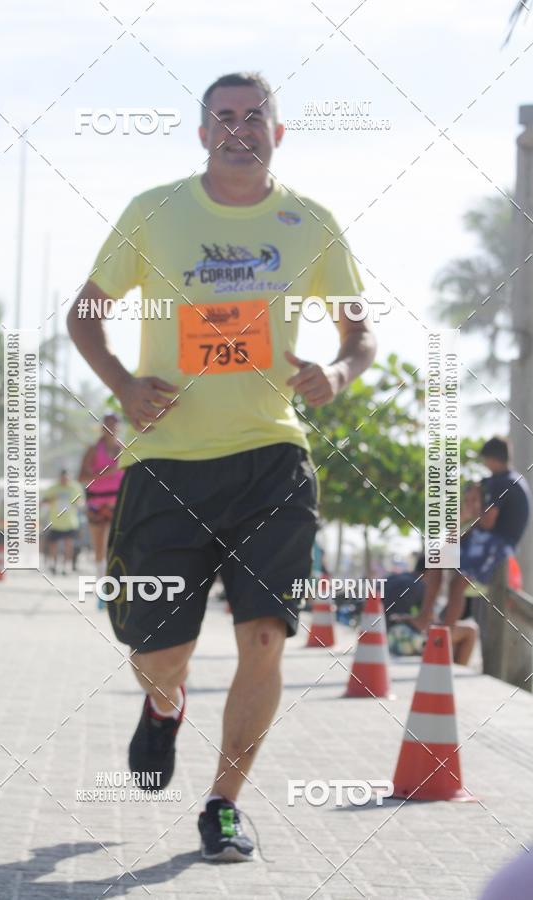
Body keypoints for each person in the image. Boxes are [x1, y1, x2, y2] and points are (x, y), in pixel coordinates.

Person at [67, 71, 376, 862]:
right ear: (203, 134)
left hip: (272, 455)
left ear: (281, 131)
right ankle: (163, 704)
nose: (240, 128)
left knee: (264, 637)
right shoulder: (155, 212)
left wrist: (336, 375)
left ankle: (223, 805)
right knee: (157, 651)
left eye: (255, 116)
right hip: (169, 462)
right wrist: (126, 386)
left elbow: (359, 336)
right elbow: (85, 316)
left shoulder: (311, 222)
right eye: (223, 118)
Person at [411, 437, 531, 664]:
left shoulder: (503, 482)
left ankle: (442, 634)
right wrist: (462, 524)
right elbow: (479, 522)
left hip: (497, 542)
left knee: (457, 585)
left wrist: (472, 512)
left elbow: (487, 522)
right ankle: (426, 616)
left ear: (490, 459)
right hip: (486, 538)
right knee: (437, 557)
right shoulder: (501, 480)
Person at [78, 413, 125, 585]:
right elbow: (81, 476)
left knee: (117, 545)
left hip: (117, 503)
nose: (110, 429)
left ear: (118, 428)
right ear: (102, 428)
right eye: (107, 425)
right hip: (96, 503)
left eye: (114, 425)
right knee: (99, 546)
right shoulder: (93, 449)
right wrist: (104, 474)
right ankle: (101, 584)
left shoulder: (124, 450)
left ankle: (114, 581)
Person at [41, 470, 82, 575]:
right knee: (53, 545)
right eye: (62, 479)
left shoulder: (74, 487)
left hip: (70, 522)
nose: (64, 481)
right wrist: (52, 499)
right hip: (55, 522)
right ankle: (53, 564)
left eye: (66, 479)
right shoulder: (53, 488)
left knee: (69, 544)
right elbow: (43, 501)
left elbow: (81, 502)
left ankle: (66, 565)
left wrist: (77, 502)